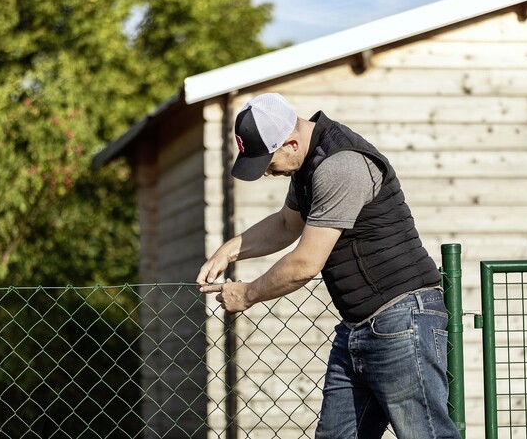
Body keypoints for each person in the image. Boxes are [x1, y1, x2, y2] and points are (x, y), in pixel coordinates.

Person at [196, 92, 460, 439]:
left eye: (267, 162)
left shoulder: (341, 165)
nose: (265, 173)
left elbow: (306, 263)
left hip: (401, 322)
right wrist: (230, 250)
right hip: (358, 327)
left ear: (291, 142)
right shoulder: (307, 162)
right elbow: (287, 224)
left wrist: (246, 294)